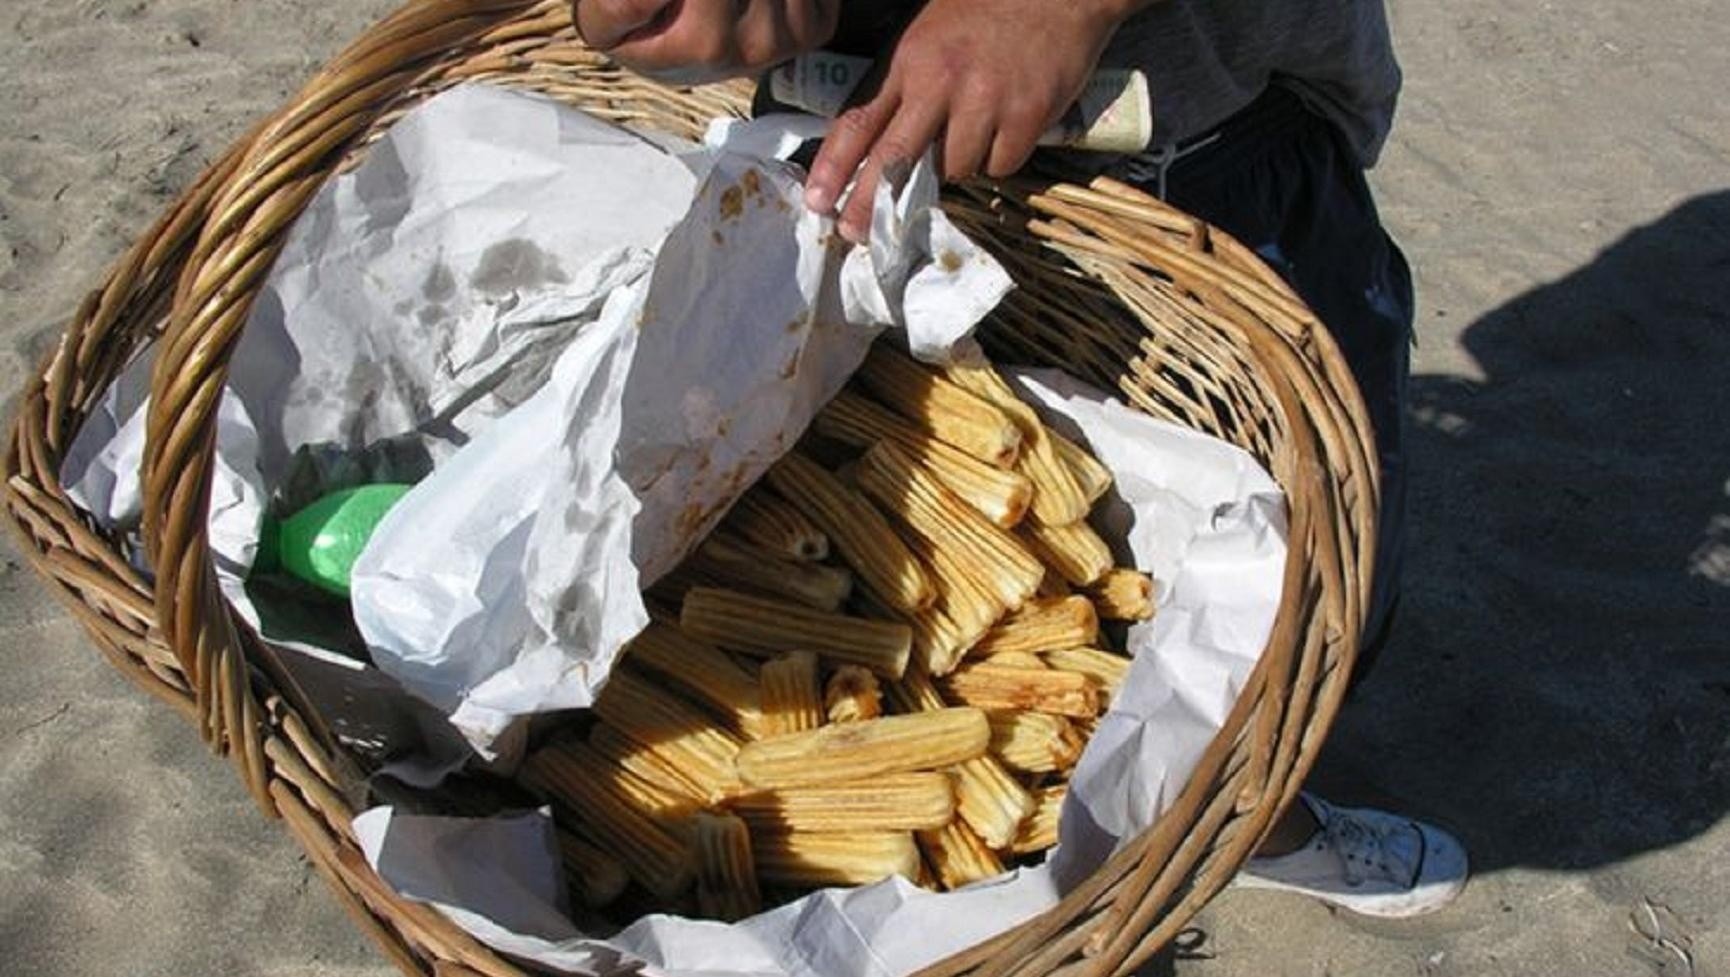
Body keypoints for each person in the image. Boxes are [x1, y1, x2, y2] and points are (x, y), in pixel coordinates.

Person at [570, 0, 1468, 918]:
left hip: (1193, 131)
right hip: (865, 125)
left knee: (1313, 593)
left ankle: (1252, 815)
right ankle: (1133, 822)